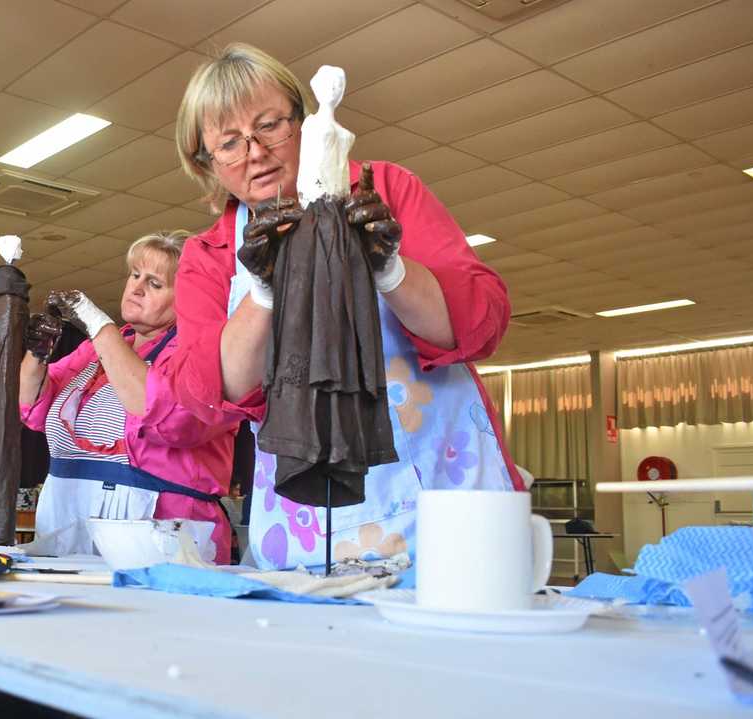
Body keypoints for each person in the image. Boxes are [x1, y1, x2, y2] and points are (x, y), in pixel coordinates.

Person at [168, 43, 523, 571]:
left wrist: (391, 270)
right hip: (306, 528)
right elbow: (212, 392)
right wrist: (263, 293)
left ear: (303, 120)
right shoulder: (209, 257)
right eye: (228, 143)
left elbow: (477, 324)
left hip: (448, 503)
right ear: (207, 162)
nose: (255, 152)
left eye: (270, 126)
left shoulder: (388, 189)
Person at [19, 231, 239, 563]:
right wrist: (37, 354)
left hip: (158, 524)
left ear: (189, 298)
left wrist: (97, 323)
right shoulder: (96, 349)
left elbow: (170, 417)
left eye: (154, 283)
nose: (135, 288)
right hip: (68, 513)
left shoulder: (200, 349)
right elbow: (32, 408)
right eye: (135, 275)